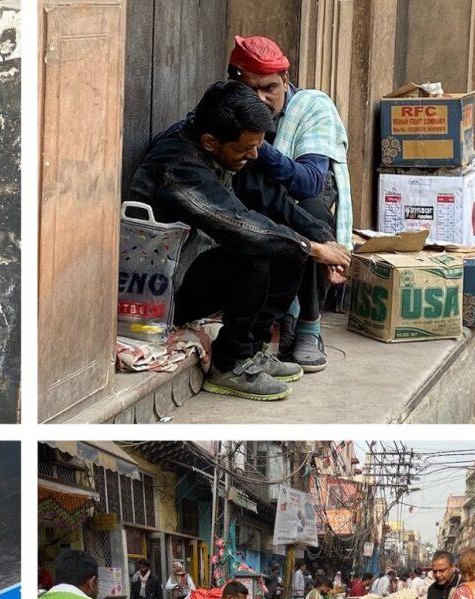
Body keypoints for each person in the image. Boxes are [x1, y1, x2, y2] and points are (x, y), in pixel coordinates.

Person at [128, 81, 351, 401]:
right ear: (209, 142)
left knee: (293, 238)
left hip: (198, 266)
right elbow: (237, 225)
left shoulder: (230, 146)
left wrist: (327, 244)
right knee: (256, 247)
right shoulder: (177, 164)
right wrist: (310, 248)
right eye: (246, 148)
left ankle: (251, 350)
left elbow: (275, 201)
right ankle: (230, 363)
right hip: (165, 292)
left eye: (258, 146)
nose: (255, 154)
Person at [227, 35, 353, 373]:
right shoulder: (226, 109)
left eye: (269, 88)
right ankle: (276, 318)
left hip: (300, 203)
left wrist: (255, 141)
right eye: (250, 90)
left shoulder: (312, 107)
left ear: (285, 80)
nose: (261, 99)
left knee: (309, 213)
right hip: (252, 206)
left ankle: (308, 325)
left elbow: (310, 181)